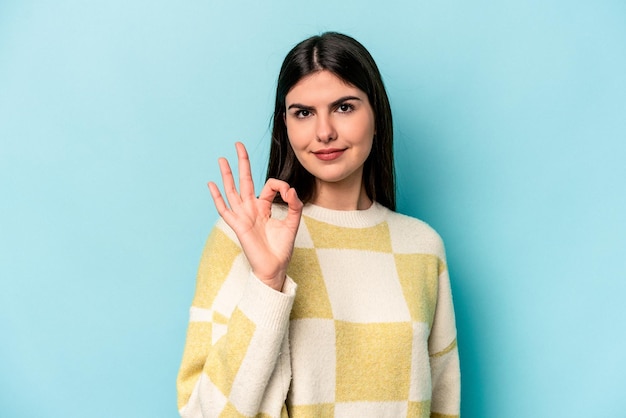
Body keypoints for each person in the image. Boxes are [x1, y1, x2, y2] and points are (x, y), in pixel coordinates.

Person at [177, 32, 460, 418]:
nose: (324, 131)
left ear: (376, 115)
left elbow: (443, 406)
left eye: (344, 107)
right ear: (286, 126)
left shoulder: (422, 247)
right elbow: (204, 412)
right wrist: (268, 283)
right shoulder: (243, 237)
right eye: (304, 113)